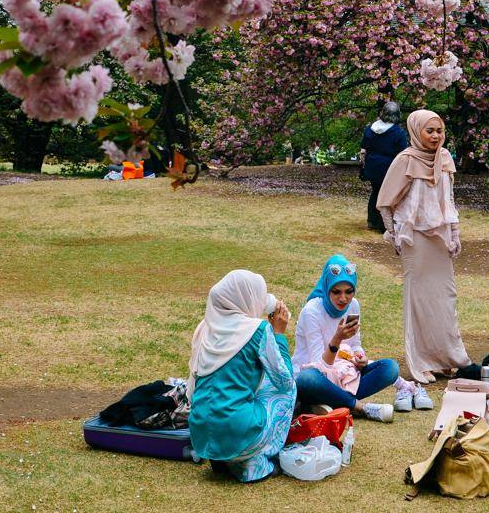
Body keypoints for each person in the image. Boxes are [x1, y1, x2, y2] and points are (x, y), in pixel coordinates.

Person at [377, 109, 471, 385]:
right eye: (429, 131)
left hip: (440, 237)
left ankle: (446, 358)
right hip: (414, 238)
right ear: (416, 131)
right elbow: (385, 203)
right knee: (419, 301)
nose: (435, 136)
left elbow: (449, 199)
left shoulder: (445, 158)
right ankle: (422, 362)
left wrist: (455, 233)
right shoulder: (405, 160)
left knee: (445, 299)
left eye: (439, 131)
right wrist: (395, 234)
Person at [188, 269, 296, 482]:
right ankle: (255, 463)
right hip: (236, 431)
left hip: (200, 434)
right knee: (287, 390)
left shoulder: (205, 327)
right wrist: (279, 334)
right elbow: (284, 381)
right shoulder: (258, 330)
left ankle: (221, 456)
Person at [292, 255, 401, 422]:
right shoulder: (311, 311)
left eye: (348, 291)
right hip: (317, 376)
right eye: (336, 292)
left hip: (345, 374)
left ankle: (326, 404)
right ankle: (360, 407)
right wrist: (337, 339)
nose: (343, 298)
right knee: (307, 378)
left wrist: (360, 357)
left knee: (390, 368)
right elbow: (320, 366)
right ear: (327, 288)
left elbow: (355, 344)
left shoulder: (353, 305)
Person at [360, 102, 409, 231]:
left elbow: (364, 146)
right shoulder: (398, 132)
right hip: (388, 166)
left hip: (372, 164)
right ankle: (382, 225)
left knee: (375, 191)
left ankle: (372, 221)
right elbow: (403, 152)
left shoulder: (370, 128)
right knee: (385, 195)